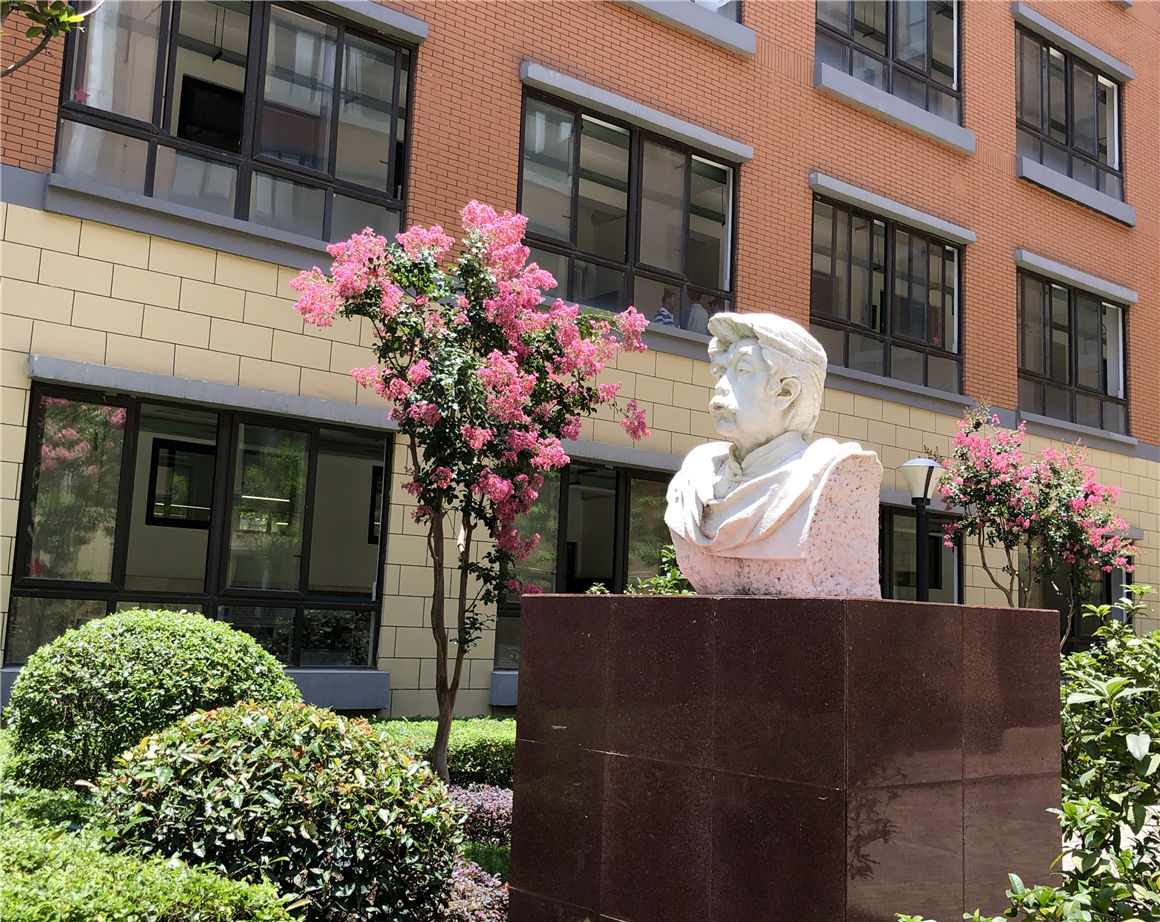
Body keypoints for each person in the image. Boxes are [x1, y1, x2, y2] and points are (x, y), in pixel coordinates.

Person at [664, 312, 883, 596]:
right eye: (721, 371)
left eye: (742, 371)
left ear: (786, 392)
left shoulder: (832, 474)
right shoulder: (696, 477)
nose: (720, 385)